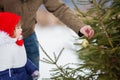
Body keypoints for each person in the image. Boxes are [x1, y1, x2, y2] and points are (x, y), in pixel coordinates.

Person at [0, 0, 94, 77]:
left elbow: (60, 8)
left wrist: (80, 26)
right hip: (5, 40)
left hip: (28, 37)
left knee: (32, 74)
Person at [0, 12, 39, 80]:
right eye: (18, 28)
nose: (21, 29)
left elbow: (22, 59)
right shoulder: (5, 49)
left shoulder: (17, 43)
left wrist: (32, 70)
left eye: (20, 27)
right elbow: (4, 73)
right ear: (9, 30)